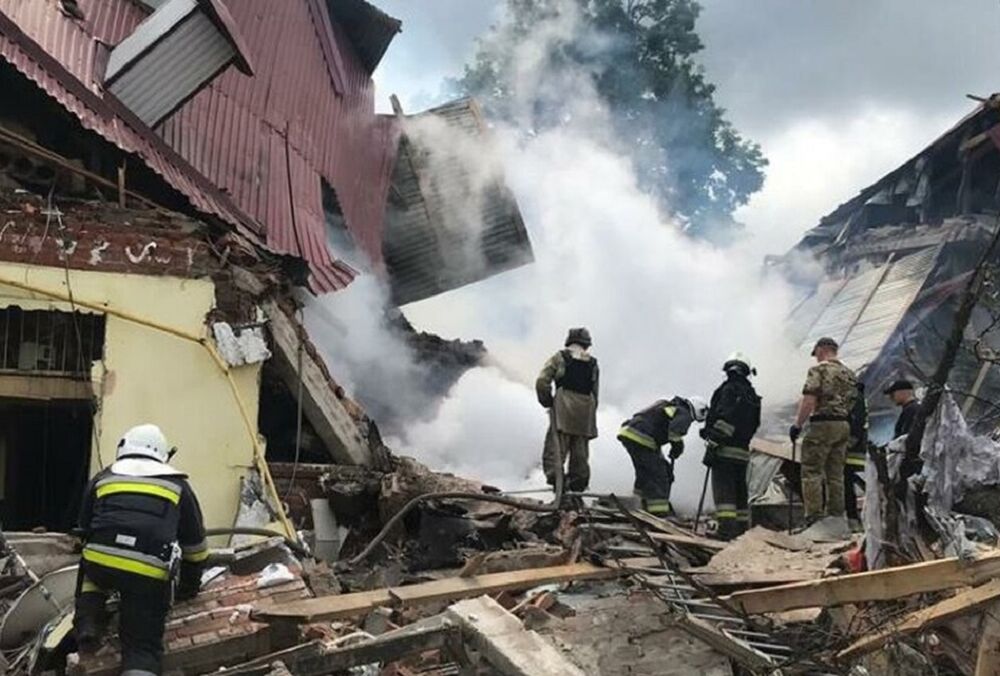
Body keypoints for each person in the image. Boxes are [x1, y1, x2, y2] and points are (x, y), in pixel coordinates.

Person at [74, 424, 208, 675]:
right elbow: (196, 549)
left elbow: (83, 529)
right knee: (141, 648)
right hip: (147, 575)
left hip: (101, 565)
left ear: (123, 448)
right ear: (163, 454)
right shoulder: (179, 486)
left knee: (90, 559)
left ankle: (88, 622)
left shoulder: (104, 477)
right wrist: (188, 588)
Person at [789, 337, 857, 527]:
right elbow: (853, 403)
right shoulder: (850, 374)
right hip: (843, 425)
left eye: (816, 354)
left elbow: (809, 400)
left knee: (811, 471)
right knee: (836, 475)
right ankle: (836, 517)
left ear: (821, 350)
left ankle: (814, 519)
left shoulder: (818, 370)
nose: (816, 358)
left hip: (822, 424)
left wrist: (798, 425)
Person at [701, 353, 761, 540]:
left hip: (724, 449)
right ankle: (742, 530)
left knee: (724, 490)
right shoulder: (752, 395)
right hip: (742, 451)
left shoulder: (728, 390)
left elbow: (724, 418)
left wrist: (714, 442)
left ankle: (726, 530)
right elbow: (754, 424)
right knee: (739, 490)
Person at [618, 396, 709, 515]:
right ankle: (658, 513)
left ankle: (637, 503)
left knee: (645, 473)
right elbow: (674, 433)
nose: (691, 422)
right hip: (642, 438)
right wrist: (677, 447)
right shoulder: (684, 413)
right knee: (660, 475)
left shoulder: (670, 406)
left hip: (630, 433)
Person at [536, 328, 599, 495]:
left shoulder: (560, 357)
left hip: (563, 410)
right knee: (580, 456)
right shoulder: (592, 363)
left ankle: (559, 486)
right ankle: (577, 492)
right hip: (585, 414)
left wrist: (547, 401)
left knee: (555, 451)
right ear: (586, 344)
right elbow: (595, 392)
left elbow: (542, 381)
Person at [844, 381, 869, 527]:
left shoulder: (856, 400)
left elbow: (856, 424)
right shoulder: (861, 400)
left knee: (847, 485)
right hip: (858, 450)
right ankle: (855, 519)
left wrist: (848, 444)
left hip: (853, 452)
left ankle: (853, 519)